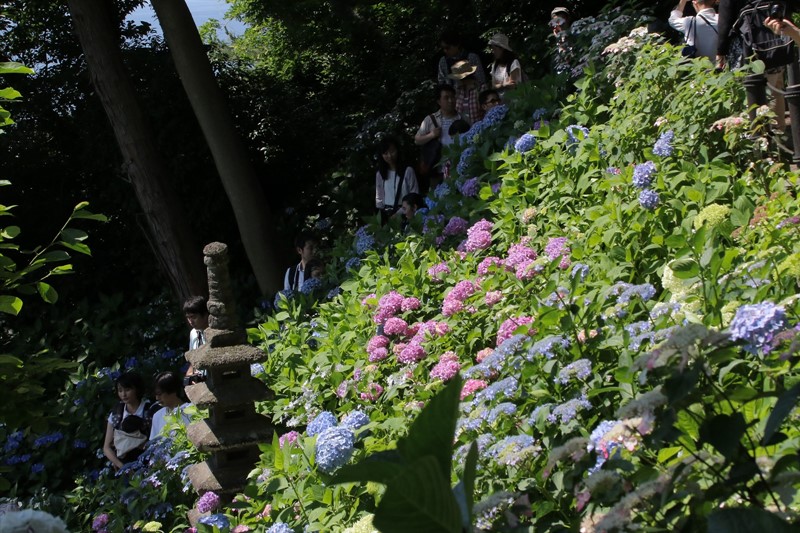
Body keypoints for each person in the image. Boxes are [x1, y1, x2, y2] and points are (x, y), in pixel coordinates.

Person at [717, 0, 787, 131]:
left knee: (752, 93)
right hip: (774, 44)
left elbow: (725, 22)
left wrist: (720, 51)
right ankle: (779, 131)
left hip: (749, 48)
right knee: (776, 89)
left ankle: (760, 135)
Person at [103, 372, 155, 469]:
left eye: (127, 390)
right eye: (120, 390)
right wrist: (122, 467)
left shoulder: (150, 411)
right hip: (124, 463)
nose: (123, 394)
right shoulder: (116, 413)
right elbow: (107, 447)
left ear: (137, 389)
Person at [375, 136, 419, 219]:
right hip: (386, 213)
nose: (389, 156)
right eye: (385, 153)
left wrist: (400, 212)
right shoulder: (380, 174)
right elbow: (379, 197)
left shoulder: (408, 171)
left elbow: (414, 195)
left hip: (405, 212)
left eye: (392, 151)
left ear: (398, 150)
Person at [149, 371, 192, 440]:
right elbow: (154, 442)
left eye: (159, 394)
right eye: (156, 394)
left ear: (173, 391)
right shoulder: (157, 416)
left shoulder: (192, 410)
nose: (157, 398)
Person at [183, 296, 208, 381]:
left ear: (205, 315)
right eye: (188, 317)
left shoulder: (214, 333)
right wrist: (190, 375)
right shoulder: (193, 333)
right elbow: (192, 360)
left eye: (193, 317)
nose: (190, 321)